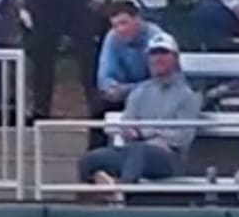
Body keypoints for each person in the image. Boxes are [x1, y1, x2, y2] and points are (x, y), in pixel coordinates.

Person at [79, 32, 200, 187]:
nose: (157, 58)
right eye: (153, 53)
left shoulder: (187, 95)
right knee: (89, 159)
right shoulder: (139, 91)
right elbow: (127, 126)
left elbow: (182, 137)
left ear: (175, 58)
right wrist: (148, 133)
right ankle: (98, 197)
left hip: (169, 158)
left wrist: (144, 132)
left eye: (163, 53)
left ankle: (121, 192)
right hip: (133, 150)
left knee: (139, 152)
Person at [94, 0, 155, 114]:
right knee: (99, 105)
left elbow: (161, 82)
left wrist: (128, 90)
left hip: (152, 95)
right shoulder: (112, 37)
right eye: (115, 26)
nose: (120, 30)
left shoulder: (156, 37)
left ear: (137, 19)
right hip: (123, 94)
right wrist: (110, 87)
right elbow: (104, 75)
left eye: (124, 23)